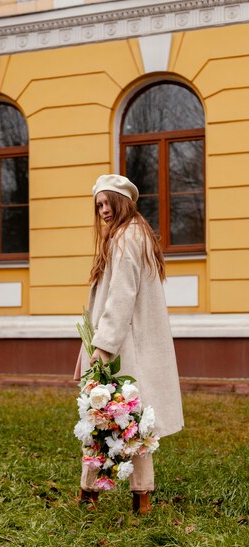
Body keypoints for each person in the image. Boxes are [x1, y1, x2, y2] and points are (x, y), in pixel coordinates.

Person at [74, 173, 184, 514]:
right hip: (131, 344)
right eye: (99, 206)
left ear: (122, 204)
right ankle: (142, 497)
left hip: (123, 348)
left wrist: (103, 348)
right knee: (134, 422)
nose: (103, 211)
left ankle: (89, 493)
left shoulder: (125, 238)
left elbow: (120, 298)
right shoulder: (138, 235)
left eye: (107, 203)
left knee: (103, 417)